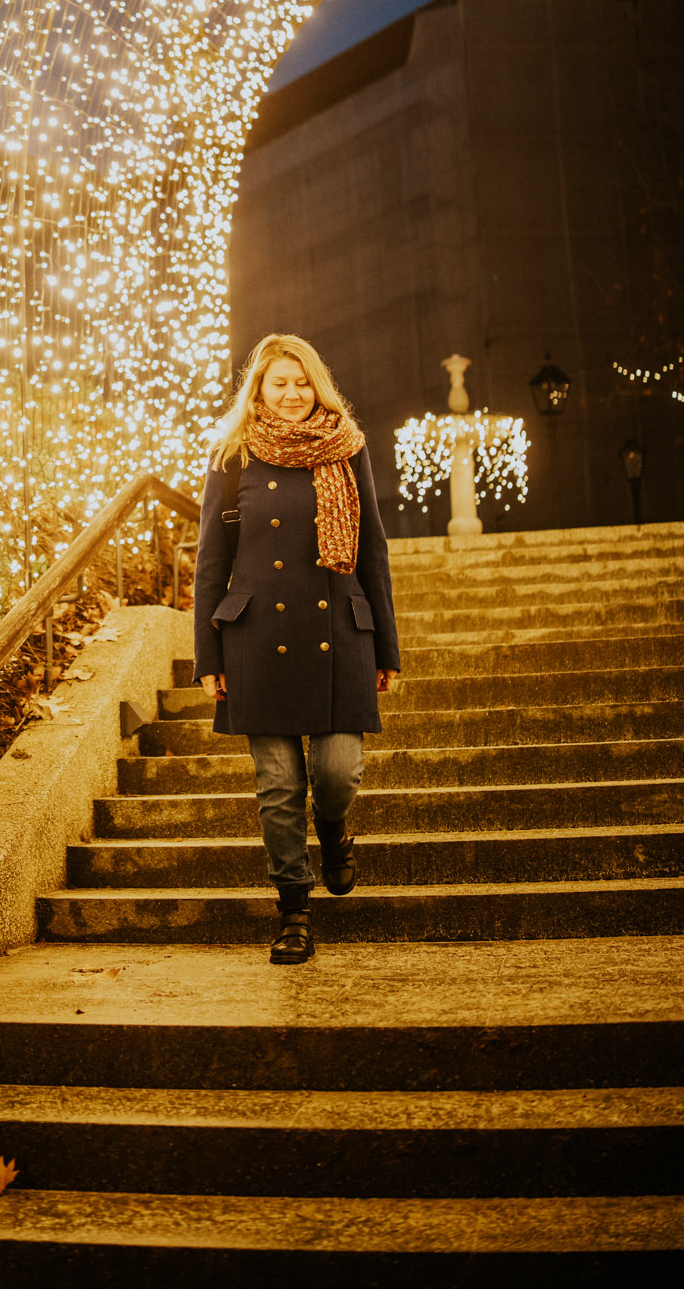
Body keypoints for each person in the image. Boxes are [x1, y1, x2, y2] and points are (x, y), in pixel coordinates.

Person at [192, 333, 402, 964]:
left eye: (301, 382)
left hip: (338, 630)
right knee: (279, 785)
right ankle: (294, 910)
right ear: (258, 389)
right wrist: (209, 656)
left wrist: (387, 646)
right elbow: (211, 561)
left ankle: (334, 831)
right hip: (256, 637)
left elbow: (372, 552)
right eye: (278, 382)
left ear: (319, 387)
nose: (291, 394)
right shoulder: (231, 454)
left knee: (337, 774)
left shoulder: (348, 448)